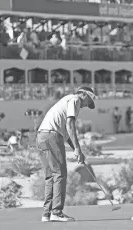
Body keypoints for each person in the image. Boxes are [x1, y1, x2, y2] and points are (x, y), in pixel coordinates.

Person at [36, 86, 96, 222]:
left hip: (41, 136)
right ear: (84, 95)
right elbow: (70, 124)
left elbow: (67, 133)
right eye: (89, 102)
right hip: (52, 136)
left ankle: (46, 214)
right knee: (60, 174)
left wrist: (76, 149)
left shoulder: (66, 100)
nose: (87, 106)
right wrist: (78, 149)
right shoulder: (75, 99)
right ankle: (56, 212)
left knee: (50, 176)